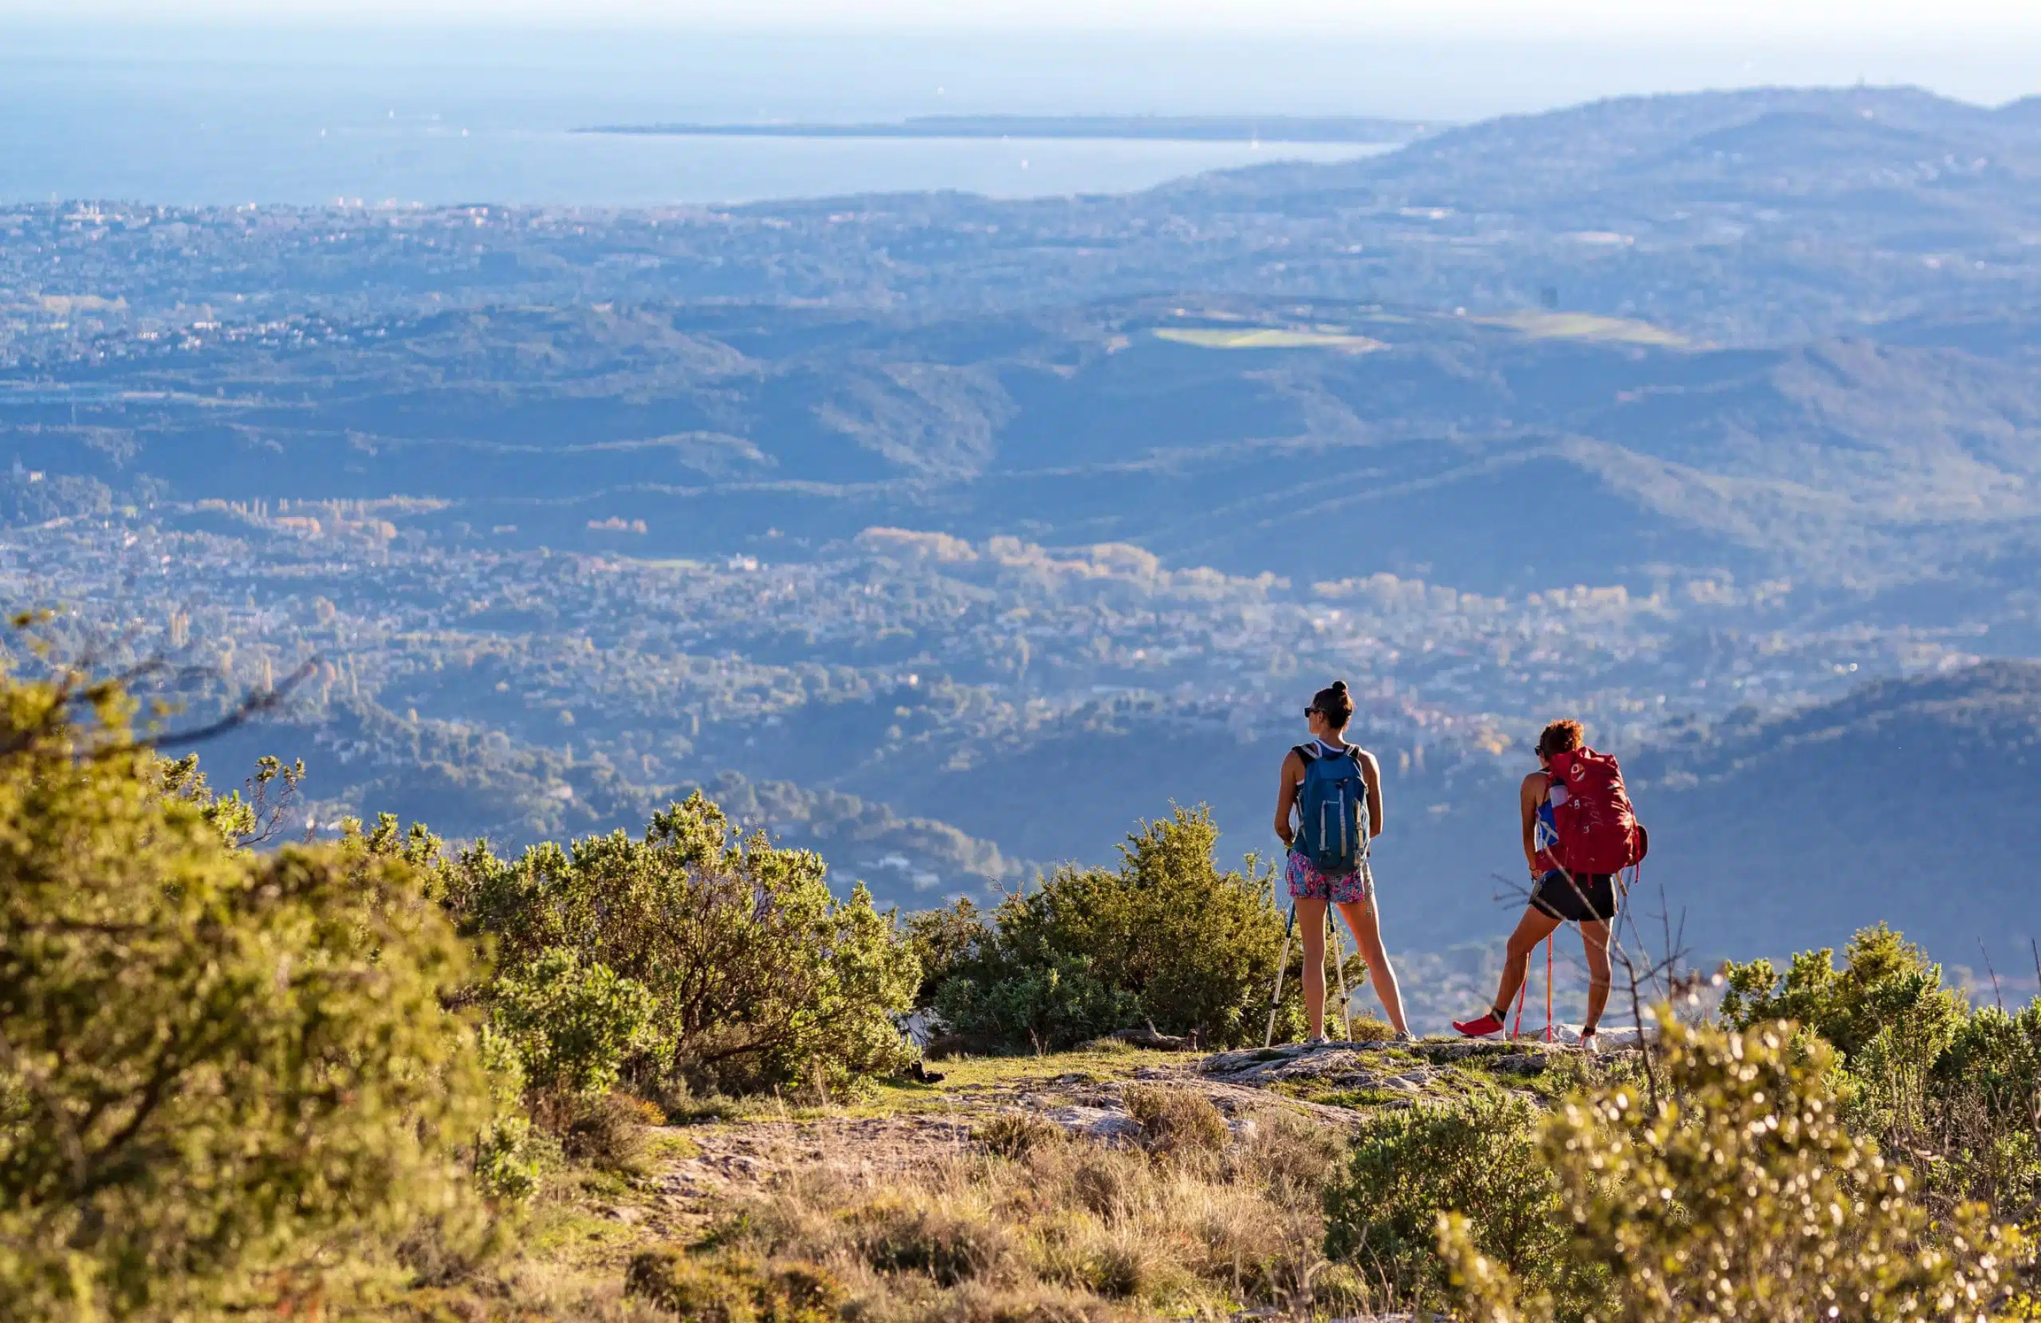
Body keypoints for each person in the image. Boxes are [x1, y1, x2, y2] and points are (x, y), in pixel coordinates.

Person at [1451, 719, 1615, 1049]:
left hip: (1561, 879)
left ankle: (1497, 1020)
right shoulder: (1597, 780)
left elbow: (1528, 835)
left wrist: (1535, 869)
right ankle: (1590, 1035)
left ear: (1544, 755)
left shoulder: (1534, 783)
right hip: (1599, 877)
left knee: (1518, 946)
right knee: (1600, 960)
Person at [1273, 680, 1412, 1042]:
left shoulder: (1297, 759)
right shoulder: (1364, 761)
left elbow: (1280, 823)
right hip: (1352, 869)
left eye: (1310, 712)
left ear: (1320, 717)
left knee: (1314, 953)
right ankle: (1402, 1031)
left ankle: (1318, 1037)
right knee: (1373, 950)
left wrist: (1295, 845)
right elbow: (1376, 826)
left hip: (1308, 864)